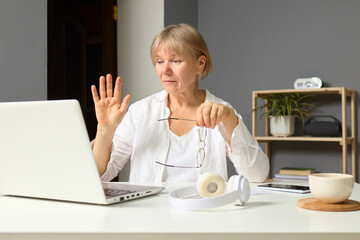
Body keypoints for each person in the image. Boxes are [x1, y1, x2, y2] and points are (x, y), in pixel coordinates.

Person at [91, 23, 269, 183]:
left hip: (205, 217)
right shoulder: (140, 112)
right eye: (159, 61)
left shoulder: (221, 112)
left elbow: (258, 175)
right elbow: (99, 176)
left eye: (175, 61)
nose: (165, 71)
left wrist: (229, 119)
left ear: (200, 64)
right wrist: (104, 131)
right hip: (147, 218)